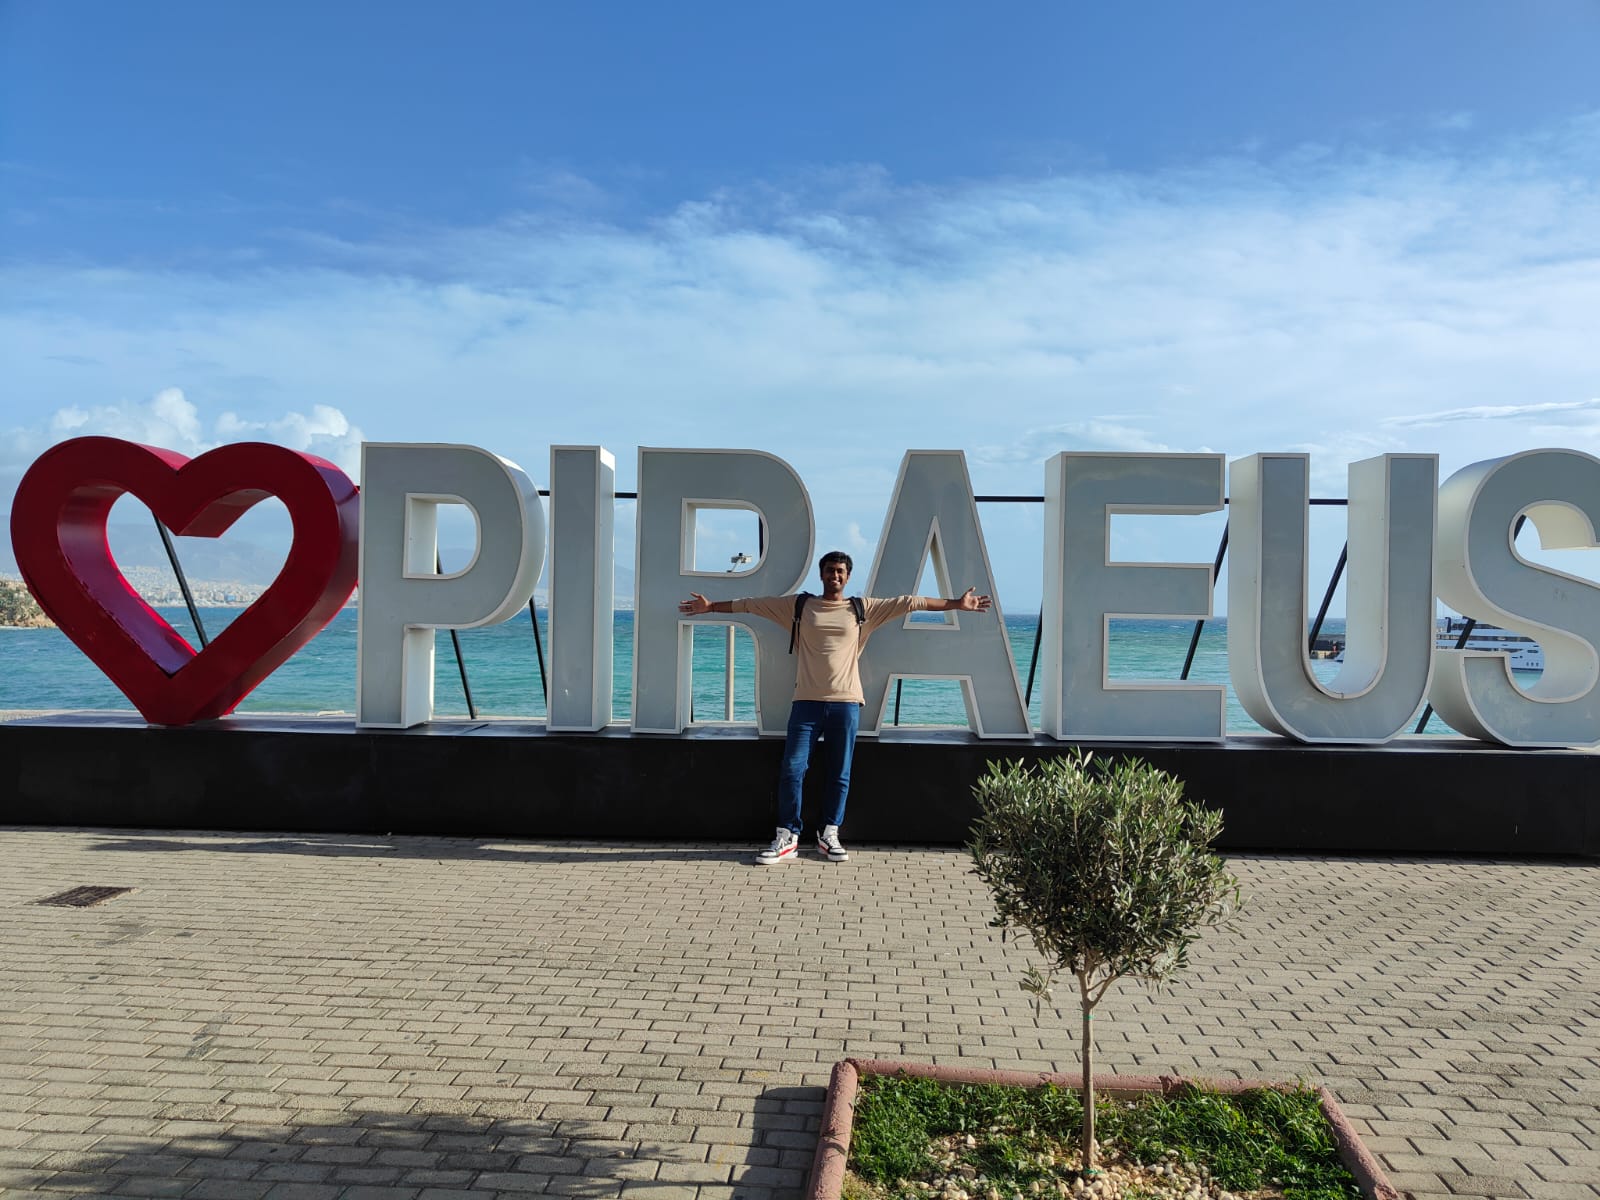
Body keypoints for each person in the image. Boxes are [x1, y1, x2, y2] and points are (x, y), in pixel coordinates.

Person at [679, 550, 991, 864]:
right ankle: (787, 836)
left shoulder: (862, 609)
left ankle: (829, 834)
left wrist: (956, 604)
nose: (835, 576)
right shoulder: (799, 606)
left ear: (848, 576)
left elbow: (910, 602)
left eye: (841, 571)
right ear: (822, 574)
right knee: (792, 769)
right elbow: (751, 604)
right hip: (806, 704)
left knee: (839, 773)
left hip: (846, 703)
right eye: (830, 570)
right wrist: (711, 607)